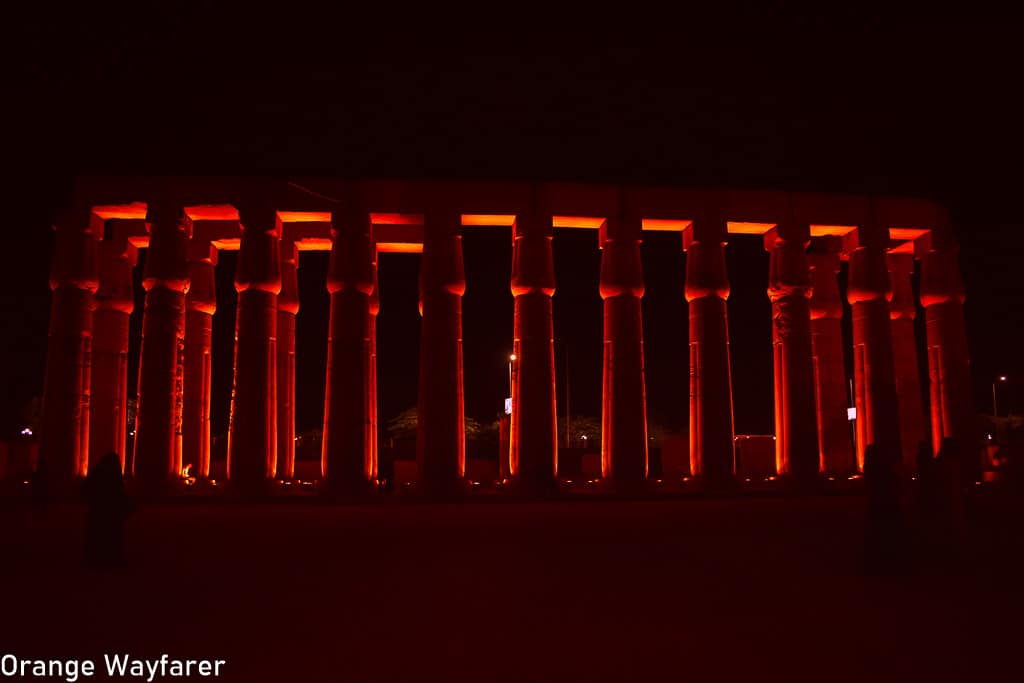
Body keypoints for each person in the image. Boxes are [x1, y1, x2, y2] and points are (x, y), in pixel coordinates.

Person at [84, 452, 132, 568]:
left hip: (98, 514)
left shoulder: (96, 475)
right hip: (110, 515)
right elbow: (120, 495)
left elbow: (85, 490)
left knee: (98, 536)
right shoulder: (113, 477)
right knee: (112, 536)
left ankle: (96, 559)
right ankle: (111, 560)